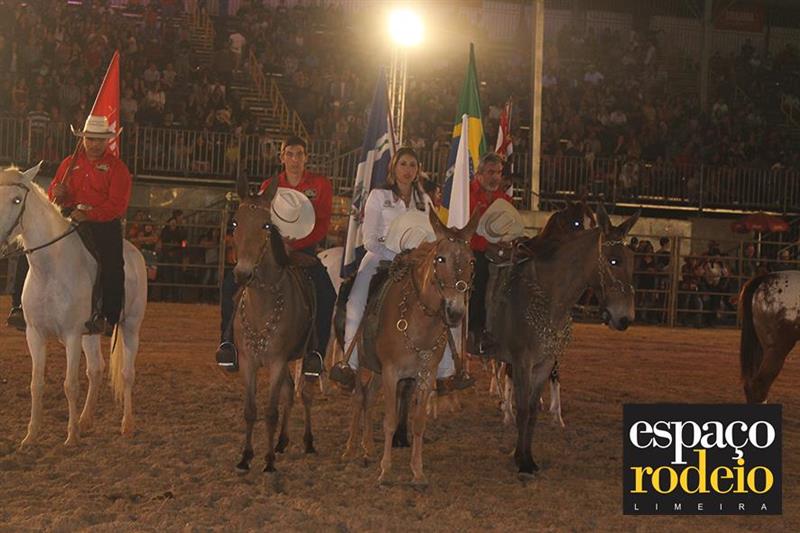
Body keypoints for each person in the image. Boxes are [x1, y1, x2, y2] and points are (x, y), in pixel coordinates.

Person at [329, 148, 471, 393]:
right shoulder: (378, 196)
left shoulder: (424, 200)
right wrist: (397, 256)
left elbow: (432, 235)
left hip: (417, 261)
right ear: (393, 168)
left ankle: (447, 368)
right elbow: (369, 239)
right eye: (403, 164)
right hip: (379, 258)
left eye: (412, 165)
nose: (407, 170)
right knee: (356, 300)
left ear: (418, 170)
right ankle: (348, 363)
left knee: (444, 299)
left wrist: (420, 257)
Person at [215, 136, 336, 379]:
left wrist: (295, 245)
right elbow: (258, 223)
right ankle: (227, 342)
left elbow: (322, 223)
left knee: (326, 293)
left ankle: (316, 353)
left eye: (299, 154)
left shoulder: (320, 185)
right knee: (230, 285)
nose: (294, 159)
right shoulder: (269, 186)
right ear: (282, 157)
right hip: (271, 253)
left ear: (306, 157)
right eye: (289, 154)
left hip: (303, 252)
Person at [7, 115, 131, 336]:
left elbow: (117, 205)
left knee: (112, 262)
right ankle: (19, 306)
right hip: (68, 215)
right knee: (32, 248)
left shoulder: (117, 168)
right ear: (83, 139)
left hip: (102, 222)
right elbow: (54, 194)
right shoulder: (69, 163)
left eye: (99, 140)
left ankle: (108, 315)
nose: (94, 144)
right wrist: (57, 193)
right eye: (90, 139)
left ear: (107, 141)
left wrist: (89, 214)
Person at [466, 152, 512, 355]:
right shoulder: (466, 195)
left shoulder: (503, 199)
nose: (495, 177)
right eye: (491, 172)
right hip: (473, 253)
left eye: (499, 172)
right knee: (481, 277)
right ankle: (477, 330)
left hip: (497, 254)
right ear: (479, 173)